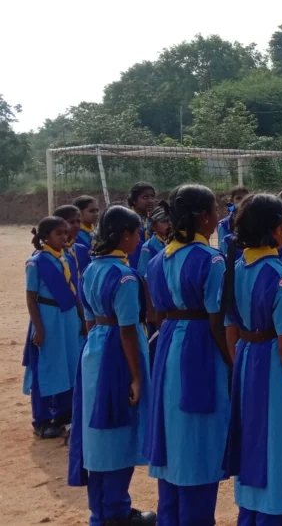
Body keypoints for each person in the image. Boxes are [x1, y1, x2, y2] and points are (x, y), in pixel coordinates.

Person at [224, 194, 282, 525]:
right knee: (277, 448)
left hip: (247, 361)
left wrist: (241, 370)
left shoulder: (234, 269)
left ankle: (248, 516)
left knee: (251, 442)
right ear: (278, 230)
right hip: (275, 368)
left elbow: (231, 333)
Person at [143, 185, 231, 526]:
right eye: (215, 210)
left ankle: (171, 517)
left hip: (168, 345)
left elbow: (156, 313)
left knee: (172, 435)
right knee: (198, 441)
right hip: (200, 348)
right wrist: (233, 365)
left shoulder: (157, 258)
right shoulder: (212, 260)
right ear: (204, 217)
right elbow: (217, 323)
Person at [69, 205, 156, 526]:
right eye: (137, 233)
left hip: (94, 352)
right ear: (125, 235)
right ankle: (115, 510)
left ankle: (102, 510)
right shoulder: (125, 277)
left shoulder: (90, 269)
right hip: (118, 355)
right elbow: (129, 330)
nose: (139, 239)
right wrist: (135, 376)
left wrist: (96, 355)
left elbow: (91, 321)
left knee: (97, 435)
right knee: (119, 434)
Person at [24, 216, 83, 439]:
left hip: (68, 318)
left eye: (65, 233)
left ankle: (64, 414)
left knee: (69, 365)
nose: (64, 237)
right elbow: (31, 298)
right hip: (48, 317)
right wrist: (38, 329)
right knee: (48, 366)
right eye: (59, 233)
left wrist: (82, 320)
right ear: (45, 237)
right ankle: (42, 419)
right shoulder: (36, 262)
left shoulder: (67, 257)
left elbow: (74, 291)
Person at [54, 203, 92, 280]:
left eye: (78, 222)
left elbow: (88, 277)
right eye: (71, 222)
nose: (77, 225)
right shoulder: (50, 252)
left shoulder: (81, 249)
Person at [137, 201, 170, 280]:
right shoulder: (148, 248)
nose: (168, 224)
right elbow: (144, 276)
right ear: (153, 226)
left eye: (170, 221)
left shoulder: (175, 242)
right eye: (164, 221)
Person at [127, 182, 157, 270]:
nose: (150, 200)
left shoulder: (152, 220)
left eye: (152, 197)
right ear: (133, 200)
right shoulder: (127, 221)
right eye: (145, 197)